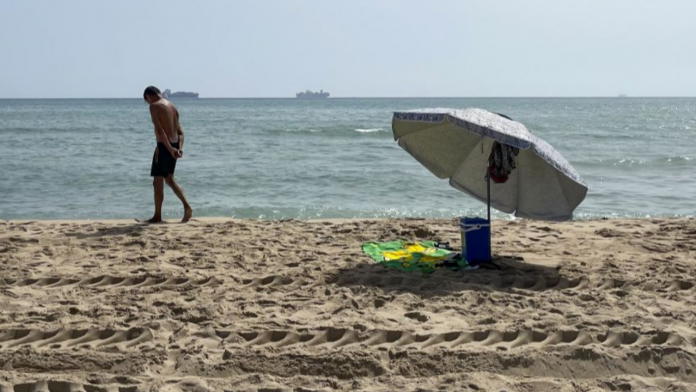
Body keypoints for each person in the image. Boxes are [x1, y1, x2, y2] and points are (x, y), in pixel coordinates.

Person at [143, 86, 192, 223]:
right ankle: (187, 207)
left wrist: (169, 149)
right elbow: (181, 132)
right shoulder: (172, 107)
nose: (147, 103)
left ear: (148, 96)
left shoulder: (154, 106)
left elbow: (159, 131)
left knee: (158, 181)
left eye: (146, 100)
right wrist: (179, 148)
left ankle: (158, 216)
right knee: (169, 179)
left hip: (164, 147)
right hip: (175, 145)